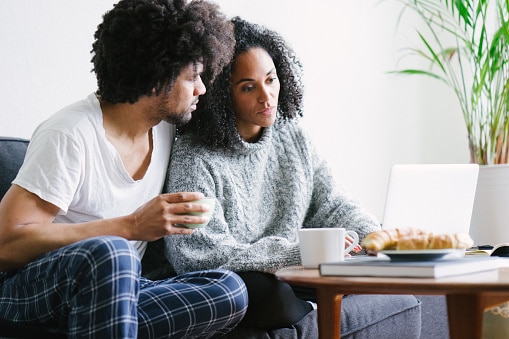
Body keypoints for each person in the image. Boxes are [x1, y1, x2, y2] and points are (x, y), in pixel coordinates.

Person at [0, 1, 249, 338]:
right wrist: (130, 226)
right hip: (33, 288)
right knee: (114, 251)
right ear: (155, 75)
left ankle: (101, 321)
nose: (201, 89)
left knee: (229, 289)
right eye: (193, 77)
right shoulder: (70, 134)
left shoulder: (164, 128)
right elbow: (7, 243)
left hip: (121, 288)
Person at [162, 17, 421, 336]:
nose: (266, 97)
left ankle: (321, 303)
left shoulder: (293, 137)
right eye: (248, 87)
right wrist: (298, 253)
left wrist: (374, 238)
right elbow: (197, 255)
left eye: (270, 80)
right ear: (220, 94)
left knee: (386, 273)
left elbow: (335, 205)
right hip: (250, 282)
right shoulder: (195, 155)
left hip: (297, 273)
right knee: (269, 293)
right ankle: (317, 309)